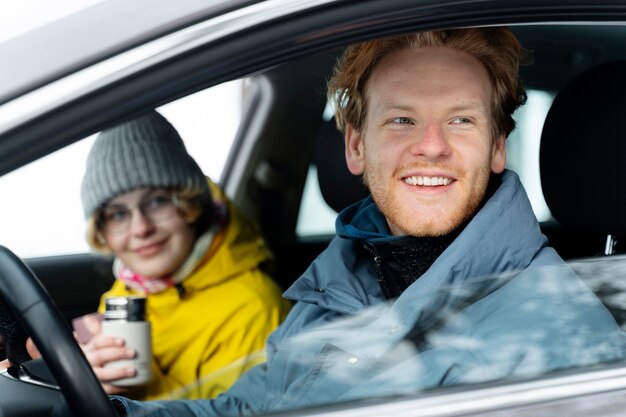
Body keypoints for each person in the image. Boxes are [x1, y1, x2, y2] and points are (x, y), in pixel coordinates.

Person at [45, 27, 626, 416]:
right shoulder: (341, 282)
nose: (431, 147)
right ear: (355, 147)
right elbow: (244, 408)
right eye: (400, 120)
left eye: (460, 121)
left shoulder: (553, 342)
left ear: (497, 147)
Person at [0, 110, 292, 401]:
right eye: (117, 214)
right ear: (101, 230)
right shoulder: (129, 290)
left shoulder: (254, 309)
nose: (141, 228)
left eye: (157, 201)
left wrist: (128, 385)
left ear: (190, 202)